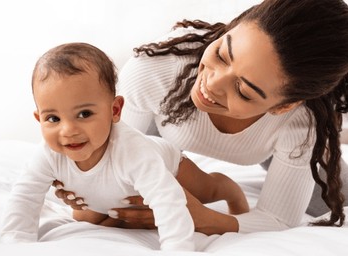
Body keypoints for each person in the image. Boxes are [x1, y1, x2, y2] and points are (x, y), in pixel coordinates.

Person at [56, 0, 348, 235]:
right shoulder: (158, 69)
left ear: (284, 106)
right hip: (162, 127)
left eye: (243, 91)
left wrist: (206, 218)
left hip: (274, 142)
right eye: (222, 54)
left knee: (337, 200)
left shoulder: (300, 124)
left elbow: (278, 220)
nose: (211, 84)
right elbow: (107, 167)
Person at [0, 42, 248, 251]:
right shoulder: (48, 154)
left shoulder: (134, 152)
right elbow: (25, 196)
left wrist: (177, 252)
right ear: (39, 119)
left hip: (167, 165)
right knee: (89, 217)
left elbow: (167, 199)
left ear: (115, 110)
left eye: (84, 114)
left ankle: (230, 189)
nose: (68, 130)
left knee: (207, 191)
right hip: (113, 192)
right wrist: (15, 243)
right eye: (53, 118)